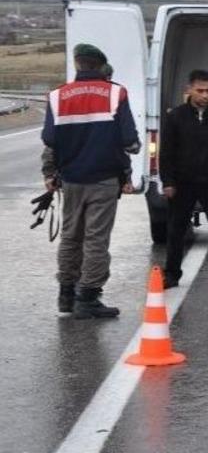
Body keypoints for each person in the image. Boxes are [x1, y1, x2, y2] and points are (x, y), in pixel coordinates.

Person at [40, 43, 140, 319]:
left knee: (70, 237)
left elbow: (50, 140)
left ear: (77, 63)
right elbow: (129, 141)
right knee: (96, 239)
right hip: (103, 179)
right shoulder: (115, 93)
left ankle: (66, 293)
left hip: (71, 179)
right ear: (100, 65)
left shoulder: (57, 96)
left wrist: (53, 171)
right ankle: (89, 296)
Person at [159, 69, 208, 289]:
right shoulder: (176, 117)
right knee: (176, 229)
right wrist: (168, 181)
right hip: (183, 182)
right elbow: (167, 152)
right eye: (200, 90)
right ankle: (172, 274)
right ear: (189, 90)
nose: (204, 95)